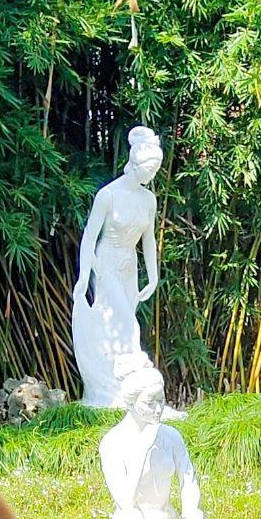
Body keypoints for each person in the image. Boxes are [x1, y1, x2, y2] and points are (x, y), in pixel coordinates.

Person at [100, 362, 211, 519]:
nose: (159, 409)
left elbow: (188, 479)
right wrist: (142, 451)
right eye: (150, 403)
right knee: (131, 518)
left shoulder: (171, 437)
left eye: (161, 400)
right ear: (131, 403)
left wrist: (192, 514)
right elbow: (125, 502)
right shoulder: (112, 443)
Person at [72, 126, 164, 407]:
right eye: (150, 169)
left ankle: (120, 376)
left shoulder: (149, 199)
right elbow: (89, 236)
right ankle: (118, 381)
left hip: (129, 263)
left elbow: (148, 239)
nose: (152, 176)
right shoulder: (108, 195)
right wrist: (85, 274)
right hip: (107, 261)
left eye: (156, 170)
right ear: (136, 164)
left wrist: (154, 276)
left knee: (121, 319)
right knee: (124, 320)